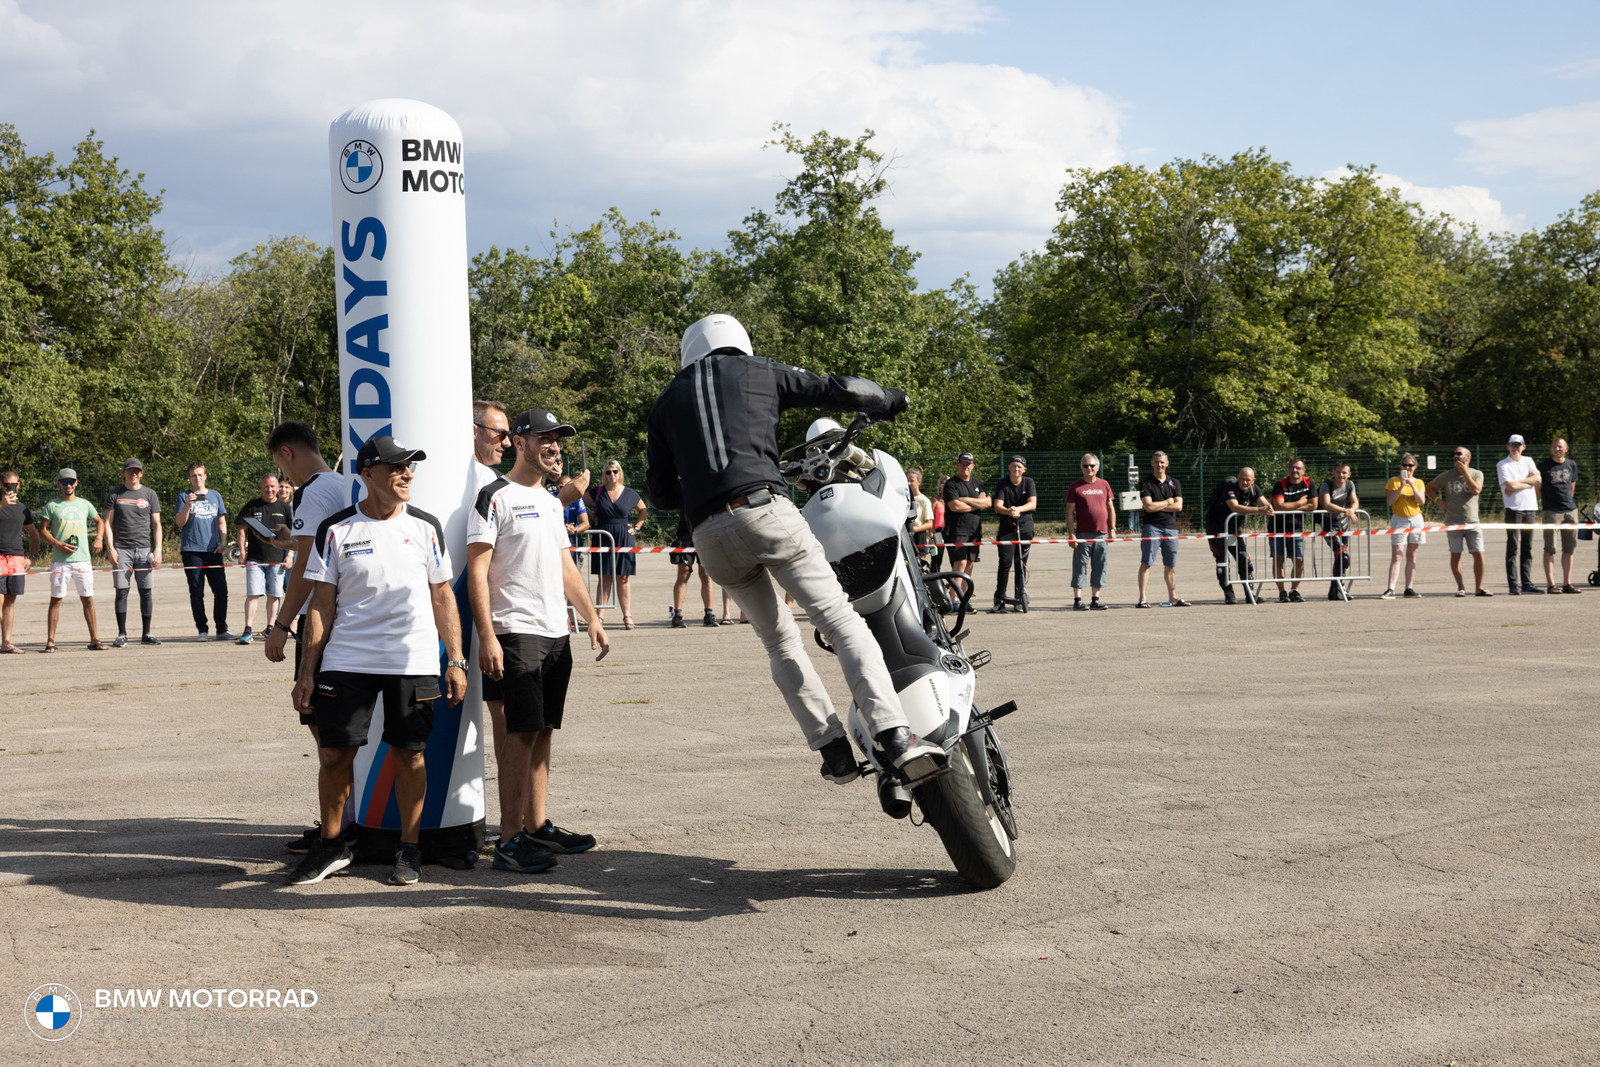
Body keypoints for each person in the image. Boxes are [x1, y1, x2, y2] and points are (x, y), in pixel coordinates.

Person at [644, 312, 941, 788]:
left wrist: (707, 489)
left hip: (710, 537)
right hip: (766, 510)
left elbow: (658, 493)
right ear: (737, 342)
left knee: (779, 641)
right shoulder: (759, 370)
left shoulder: (664, 404)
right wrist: (888, 399)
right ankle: (895, 735)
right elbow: (835, 389)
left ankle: (832, 749)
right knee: (841, 621)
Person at [287, 435, 467, 887]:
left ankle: (409, 849)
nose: (407, 474)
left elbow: (443, 596)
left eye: (410, 467)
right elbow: (321, 607)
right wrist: (307, 672)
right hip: (347, 660)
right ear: (368, 475)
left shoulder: (426, 527)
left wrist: (457, 659)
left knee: (410, 755)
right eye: (397, 467)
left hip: (414, 661)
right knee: (334, 753)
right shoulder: (336, 528)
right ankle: (331, 846)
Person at [468, 409, 610, 874]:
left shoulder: (552, 501)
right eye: (545, 439)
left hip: (555, 632)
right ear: (520, 442)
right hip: (515, 632)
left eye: (559, 441)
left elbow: (566, 567)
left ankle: (537, 825)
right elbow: (477, 569)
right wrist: (486, 634)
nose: (554, 447)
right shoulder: (493, 496)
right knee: (519, 733)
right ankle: (509, 841)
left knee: (544, 730)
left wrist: (591, 617)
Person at [261, 421, 355, 856]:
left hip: (321, 620)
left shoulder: (310, 491)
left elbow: (305, 571)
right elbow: (313, 551)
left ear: (287, 454)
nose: (282, 477)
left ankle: (340, 828)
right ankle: (345, 822)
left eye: (278, 465)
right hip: (346, 619)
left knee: (324, 732)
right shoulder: (340, 482)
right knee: (337, 732)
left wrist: (280, 624)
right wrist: (291, 543)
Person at [39, 468, 106, 652]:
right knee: (56, 599)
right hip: (60, 560)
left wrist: (99, 539)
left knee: (87, 599)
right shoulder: (52, 505)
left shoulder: (85, 504)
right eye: (64, 482)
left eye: (71, 482)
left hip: (82, 559)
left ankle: (95, 639)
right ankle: (50, 640)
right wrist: (57, 543)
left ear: (76, 483)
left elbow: (100, 521)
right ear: (59, 483)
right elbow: (42, 529)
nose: (68, 485)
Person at [101, 458, 163, 648]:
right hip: (122, 550)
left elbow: (156, 524)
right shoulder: (115, 494)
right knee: (122, 592)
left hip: (144, 549)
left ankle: (147, 633)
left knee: (146, 592)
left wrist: (158, 549)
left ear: (141, 473)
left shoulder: (149, 494)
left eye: (137, 471)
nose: (133, 474)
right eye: (130, 471)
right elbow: (107, 524)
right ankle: (122, 634)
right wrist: (111, 548)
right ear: (124, 472)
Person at [234, 473, 294, 644]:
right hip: (255, 558)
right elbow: (241, 529)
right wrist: (242, 552)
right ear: (261, 487)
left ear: (277, 488)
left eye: (273, 486)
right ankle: (247, 629)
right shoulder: (252, 506)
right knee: (253, 594)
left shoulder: (285, 508)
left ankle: (270, 627)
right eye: (266, 486)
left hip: (277, 560)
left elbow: (293, 535)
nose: (270, 489)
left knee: (274, 595)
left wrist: (289, 555)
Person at [175, 462, 232, 639]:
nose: (197, 478)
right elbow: (180, 523)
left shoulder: (215, 496)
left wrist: (223, 542)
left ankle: (221, 629)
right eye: (193, 475)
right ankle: (202, 630)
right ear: (189, 478)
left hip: (213, 551)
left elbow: (221, 521)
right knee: (197, 592)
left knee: (221, 591)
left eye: (200, 474)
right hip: (192, 550)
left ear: (205, 476)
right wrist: (187, 505)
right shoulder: (183, 496)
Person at [1425, 448, 1490, 597]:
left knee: (1478, 554)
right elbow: (1429, 488)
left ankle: (1479, 588)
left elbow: (1476, 490)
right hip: (1453, 521)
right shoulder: (1447, 475)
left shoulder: (1476, 473)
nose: (1455, 456)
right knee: (1455, 554)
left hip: (1472, 521)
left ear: (1468, 457)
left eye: (1458, 454)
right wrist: (1439, 502)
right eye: (1453, 454)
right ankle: (1461, 587)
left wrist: (1465, 472)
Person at [588, 460, 646, 630]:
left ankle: (627, 616)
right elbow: (578, 503)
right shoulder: (597, 491)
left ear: (620, 473)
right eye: (608, 472)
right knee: (604, 578)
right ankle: (600, 617)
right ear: (604, 474)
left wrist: (637, 527)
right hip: (603, 537)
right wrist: (592, 515)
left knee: (623, 578)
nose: (612, 475)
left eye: (615, 471)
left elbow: (643, 510)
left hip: (624, 538)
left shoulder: (630, 493)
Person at [1203, 467, 1271, 605]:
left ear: (1253, 480)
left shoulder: (1254, 489)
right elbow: (1235, 507)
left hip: (1234, 529)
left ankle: (1250, 594)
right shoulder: (1229, 487)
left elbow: (1266, 505)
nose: (1244, 482)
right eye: (1242, 479)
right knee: (1222, 562)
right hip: (1216, 529)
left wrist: (1268, 509)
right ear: (1237, 477)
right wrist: (1259, 510)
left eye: (1248, 480)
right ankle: (1229, 594)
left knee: (1244, 560)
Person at [1136, 451, 1187, 607]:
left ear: (1167, 463)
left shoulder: (1174, 483)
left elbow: (1178, 506)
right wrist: (1168, 502)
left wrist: (1160, 505)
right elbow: (1148, 506)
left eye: (1162, 462)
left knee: (1170, 565)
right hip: (1152, 527)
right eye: (1157, 462)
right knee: (1147, 563)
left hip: (1171, 528)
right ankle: (1142, 598)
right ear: (1152, 463)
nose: (1159, 465)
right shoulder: (1146, 483)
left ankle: (1173, 597)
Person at [1065, 454, 1115, 610]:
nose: (1089, 469)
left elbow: (1110, 508)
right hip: (1082, 534)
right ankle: (1078, 600)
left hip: (1101, 533)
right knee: (1080, 566)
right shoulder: (1075, 486)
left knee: (1100, 565)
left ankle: (1095, 599)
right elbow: (1069, 512)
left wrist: (1112, 529)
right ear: (1081, 467)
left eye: (1092, 466)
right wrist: (1071, 534)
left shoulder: (1104, 484)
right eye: (1086, 466)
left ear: (1098, 467)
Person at [0, 470, 40, 653]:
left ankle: (6, 642)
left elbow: (34, 534)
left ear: (19, 485)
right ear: (1, 485)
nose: (11, 487)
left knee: (10, 601)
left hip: (17, 558)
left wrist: (33, 557)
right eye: (7, 484)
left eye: (14, 484)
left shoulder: (23, 508)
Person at [1497, 435, 1543, 595]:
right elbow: (1509, 486)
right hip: (1513, 509)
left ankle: (1527, 583)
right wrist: (1528, 482)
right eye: (1512, 445)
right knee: (1513, 547)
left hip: (1530, 508)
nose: (1515, 448)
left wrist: (1519, 483)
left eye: (1518, 445)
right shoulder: (1502, 464)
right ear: (1508, 446)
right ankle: (1513, 584)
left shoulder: (1529, 460)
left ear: (1524, 446)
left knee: (1527, 547)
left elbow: (1538, 478)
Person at [990, 456, 1036, 613]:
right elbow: (997, 506)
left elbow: (1032, 503)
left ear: (1024, 469)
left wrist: (1018, 509)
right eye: (1013, 466)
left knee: (1020, 563)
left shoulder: (1028, 482)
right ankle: (1000, 598)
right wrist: (1009, 511)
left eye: (1019, 466)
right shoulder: (1003, 484)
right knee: (1005, 563)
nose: (1016, 469)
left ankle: (1019, 596)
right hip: (1007, 530)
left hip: (1025, 528)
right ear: (1009, 468)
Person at [1537, 437, 1581, 594]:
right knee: (1550, 548)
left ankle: (1567, 583)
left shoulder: (1571, 465)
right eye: (1555, 447)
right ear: (1551, 449)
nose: (1557, 449)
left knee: (1569, 548)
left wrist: (1568, 503)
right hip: (1551, 512)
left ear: (1566, 448)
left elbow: (1571, 487)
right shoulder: (1542, 466)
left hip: (1570, 511)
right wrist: (1548, 501)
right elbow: (1538, 487)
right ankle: (1551, 584)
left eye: (1560, 447)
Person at [1270, 459, 1316, 602]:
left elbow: (1313, 505)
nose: (1294, 470)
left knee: (1299, 560)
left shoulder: (1309, 482)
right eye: (1291, 467)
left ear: (1303, 471)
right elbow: (1278, 506)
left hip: (1297, 528)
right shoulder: (1280, 484)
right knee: (1279, 559)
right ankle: (1282, 591)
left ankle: (1294, 590)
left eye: (1297, 468)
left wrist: (1291, 506)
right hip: (1277, 528)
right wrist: (1300, 503)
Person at [1382, 452, 1426, 599]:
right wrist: (1401, 485)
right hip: (1399, 519)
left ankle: (1409, 588)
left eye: (1410, 465)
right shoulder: (1394, 481)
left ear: (1415, 467)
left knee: (1412, 554)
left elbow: (1421, 501)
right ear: (1401, 466)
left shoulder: (1419, 482)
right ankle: (1391, 589)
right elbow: (1390, 501)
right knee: (1397, 555)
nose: (1407, 468)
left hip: (1415, 519)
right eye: (1404, 465)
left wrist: (1412, 485)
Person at [942, 453, 991, 582]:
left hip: (974, 530)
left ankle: (966, 598)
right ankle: (954, 599)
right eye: (962, 464)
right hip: (956, 531)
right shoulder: (951, 484)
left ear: (972, 466)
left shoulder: (978, 483)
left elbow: (988, 503)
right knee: (960, 563)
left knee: (970, 564)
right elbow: (955, 507)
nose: (965, 467)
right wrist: (977, 503)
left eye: (968, 464)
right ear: (957, 464)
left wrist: (967, 500)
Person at [1317, 460, 1360, 601]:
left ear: (1348, 474)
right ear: (1333, 473)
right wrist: (1346, 511)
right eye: (1338, 472)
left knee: (1342, 557)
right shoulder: (1326, 485)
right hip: (1329, 524)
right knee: (1342, 554)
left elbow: (1354, 502)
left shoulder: (1350, 484)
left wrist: (1351, 511)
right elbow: (1326, 504)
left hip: (1344, 525)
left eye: (1344, 473)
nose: (1341, 475)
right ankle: (1338, 589)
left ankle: (1335, 590)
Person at [669, 511, 717, 628]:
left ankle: (709, 614)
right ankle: (677, 615)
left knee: (706, 576)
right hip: (685, 537)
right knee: (683, 576)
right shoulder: (683, 492)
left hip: (705, 535)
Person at [907, 467, 934, 564]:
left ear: (919, 482)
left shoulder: (924, 500)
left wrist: (916, 528)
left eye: (912, 480)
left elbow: (930, 523)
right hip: (906, 534)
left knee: (920, 564)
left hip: (919, 536)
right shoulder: (904, 498)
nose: (909, 483)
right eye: (907, 480)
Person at [930, 476, 949, 572]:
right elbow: (931, 519)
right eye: (943, 484)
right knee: (937, 557)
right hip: (938, 531)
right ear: (939, 487)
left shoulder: (952, 501)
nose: (945, 487)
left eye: (947, 484)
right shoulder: (935, 501)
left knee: (954, 558)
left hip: (950, 531)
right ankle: (934, 579)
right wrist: (931, 535)